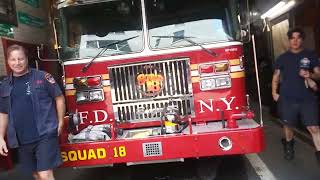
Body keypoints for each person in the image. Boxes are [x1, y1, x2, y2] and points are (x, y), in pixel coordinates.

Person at [0, 44, 65, 180]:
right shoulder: (5, 85)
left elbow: (59, 98)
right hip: (21, 139)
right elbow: (3, 113)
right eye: (13, 59)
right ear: (8, 61)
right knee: (36, 174)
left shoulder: (43, 77)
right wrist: (0, 137)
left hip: (45, 134)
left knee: (45, 174)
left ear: (26, 59)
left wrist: (60, 122)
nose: (17, 63)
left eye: (20, 59)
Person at [272, 28, 320, 164]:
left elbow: (318, 73)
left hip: (307, 98)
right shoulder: (282, 58)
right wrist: (274, 93)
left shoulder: (310, 55)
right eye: (292, 38)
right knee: (288, 126)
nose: (295, 40)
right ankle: (289, 145)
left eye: (298, 38)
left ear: (302, 40)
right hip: (288, 98)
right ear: (289, 40)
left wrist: (309, 75)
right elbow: (275, 76)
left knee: (314, 128)